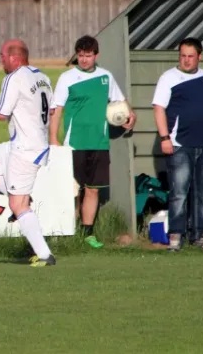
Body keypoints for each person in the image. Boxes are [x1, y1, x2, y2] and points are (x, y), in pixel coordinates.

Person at [0, 39, 56, 268]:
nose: (1, 60)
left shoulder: (14, 78)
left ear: (14, 58)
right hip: (29, 143)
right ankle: (20, 195)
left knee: (17, 206)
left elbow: (0, 113)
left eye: (2, 56)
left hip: (24, 149)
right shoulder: (43, 78)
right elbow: (52, 110)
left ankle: (45, 255)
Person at [49, 35, 136, 249]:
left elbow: (121, 102)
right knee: (71, 191)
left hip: (99, 143)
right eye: (80, 56)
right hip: (74, 144)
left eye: (88, 56)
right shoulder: (67, 78)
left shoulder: (106, 77)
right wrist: (53, 138)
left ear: (96, 55)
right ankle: (65, 232)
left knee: (92, 190)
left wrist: (130, 114)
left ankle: (87, 234)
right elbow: (57, 110)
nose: (84, 60)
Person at [152, 37, 203, 252]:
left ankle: (202, 235)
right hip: (179, 144)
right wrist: (165, 138)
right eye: (183, 55)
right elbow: (158, 108)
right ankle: (176, 236)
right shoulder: (168, 78)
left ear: (199, 57)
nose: (186, 60)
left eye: (190, 56)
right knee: (179, 192)